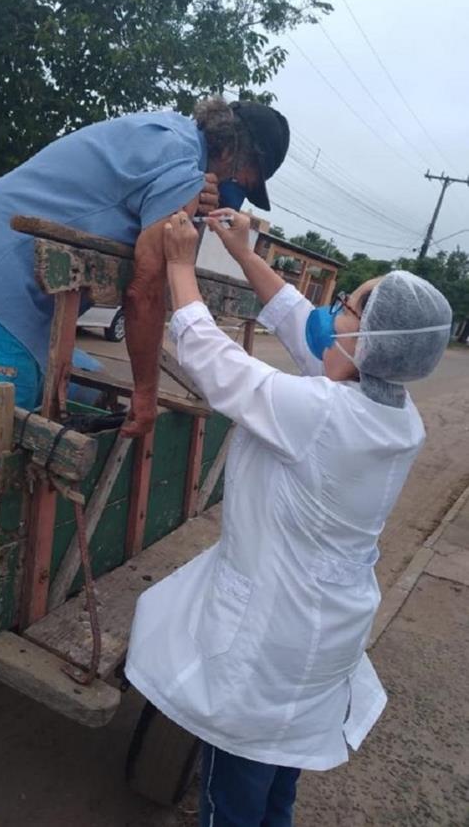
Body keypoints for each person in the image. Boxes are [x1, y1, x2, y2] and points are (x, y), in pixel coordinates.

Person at [125, 208, 452, 826]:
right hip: (323, 640)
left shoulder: (322, 413)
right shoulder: (395, 415)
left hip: (268, 645)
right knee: (278, 783)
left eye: (348, 309)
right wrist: (248, 256)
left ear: (369, 340)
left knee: (235, 793)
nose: (333, 318)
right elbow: (311, 331)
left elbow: (216, 364)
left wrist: (178, 264)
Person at [0, 98, 289, 489]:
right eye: (248, 179)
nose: (235, 191)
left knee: (79, 384)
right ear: (236, 154)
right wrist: (146, 392)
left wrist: (190, 200)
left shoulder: (173, 137)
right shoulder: (184, 168)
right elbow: (145, 291)